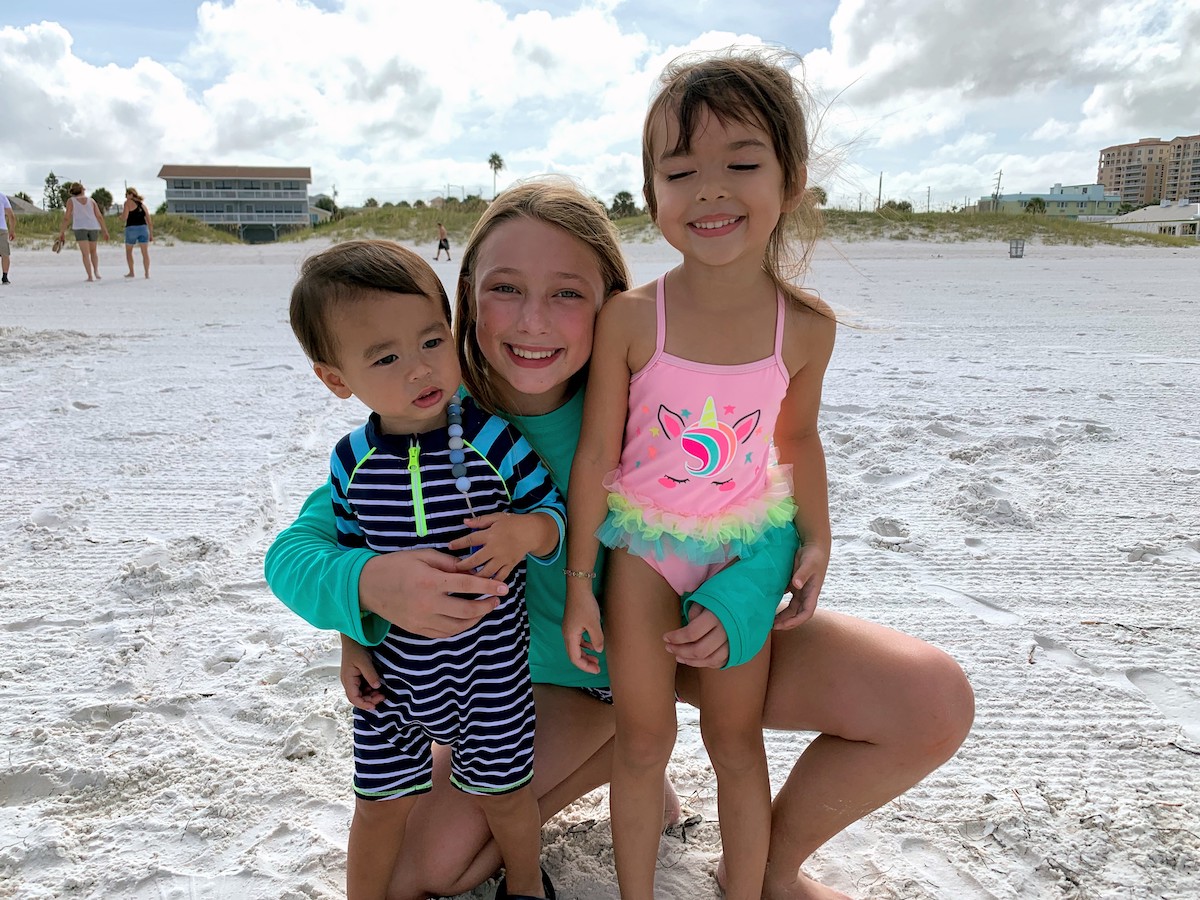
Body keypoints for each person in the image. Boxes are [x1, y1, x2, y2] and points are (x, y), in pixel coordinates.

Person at [265, 177, 975, 900]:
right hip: (552, 686)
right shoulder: (438, 425)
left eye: (568, 294)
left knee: (929, 702)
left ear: (613, 302)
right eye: (505, 289)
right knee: (421, 870)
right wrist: (367, 588)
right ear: (467, 296)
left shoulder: (657, 394)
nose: (534, 321)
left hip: (692, 641)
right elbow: (296, 552)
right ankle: (630, 755)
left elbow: (758, 489)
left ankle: (765, 866)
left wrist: (744, 588)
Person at [561, 49, 836, 900]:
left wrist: (819, 538)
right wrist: (580, 583)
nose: (711, 190)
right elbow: (596, 457)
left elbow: (801, 442)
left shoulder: (808, 328)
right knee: (643, 743)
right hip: (643, 547)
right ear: (653, 197)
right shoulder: (634, 318)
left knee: (736, 742)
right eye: (682, 172)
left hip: (741, 549)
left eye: (741, 164)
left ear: (789, 181)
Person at [288, 239, 565, 900]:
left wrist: (524, 531)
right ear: (336, 378)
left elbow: (555, 515)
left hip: (489, 675)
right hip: (392, 679)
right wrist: (352, 639)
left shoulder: (492, 439)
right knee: (380, 806)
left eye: (432, 341)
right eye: (386, 357)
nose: (420, 369)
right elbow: (349, 558)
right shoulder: (350, 462)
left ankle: (525, 886)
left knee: (506, 797)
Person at [58, 183, 110, 282]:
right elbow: (99, 216)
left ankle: (90, 276)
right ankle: (96, 272)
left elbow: (66, 217)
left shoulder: (71, 201)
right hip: (93, 227)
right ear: (82, 190)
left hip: (80, 228)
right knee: (93, 251)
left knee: (85, 254)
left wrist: (62, 232)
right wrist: (105, 231)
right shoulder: (91, 201)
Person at [120, 187, 153, 278]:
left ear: (131, 195)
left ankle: (131, 272)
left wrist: (120, 217)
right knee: (145, 253)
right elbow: (149, 220)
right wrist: (151, 234)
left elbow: (125, 217)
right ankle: (146, 273)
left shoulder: (127, 203)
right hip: (143, 228)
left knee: (129, 251)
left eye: (126, 194)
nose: (126, 197)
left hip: (131, 228)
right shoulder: (142, 205)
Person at [0, 191, 14, 285]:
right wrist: (12, 230)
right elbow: (11, 215)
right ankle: (5, 277)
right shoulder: (2, 196)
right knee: (5, 253)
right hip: (2, 228)